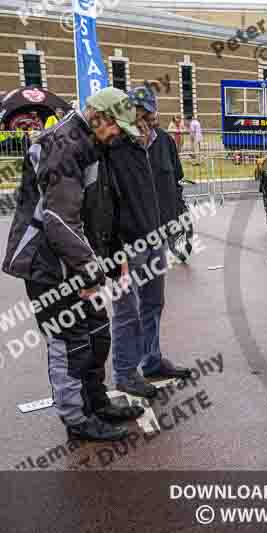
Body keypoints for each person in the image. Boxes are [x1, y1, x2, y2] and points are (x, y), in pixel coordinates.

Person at [2, 87, 145, 441]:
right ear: (100, 117)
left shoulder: (92, 142)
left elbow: (99, 208)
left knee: (97, 336)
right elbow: (59, 220)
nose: (117, 137)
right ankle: (76, 419)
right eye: (116, 128)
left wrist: (115, 256)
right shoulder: (62, 144)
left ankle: (96, 403)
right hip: (46, 264)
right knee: (70, 343)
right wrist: (92, 271)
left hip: (79, 261)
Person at [106, 87, 192, 399]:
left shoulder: (165, 142)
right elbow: (106, 200)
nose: (145, 119)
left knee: (153, 303)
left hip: (159, 236)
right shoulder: (115, 148)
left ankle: (151, 361)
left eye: (149, 112)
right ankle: (125, 372)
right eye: (140, 112)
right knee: (128, 309)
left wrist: (178, 220)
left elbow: (174, 183)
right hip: (128, 242)